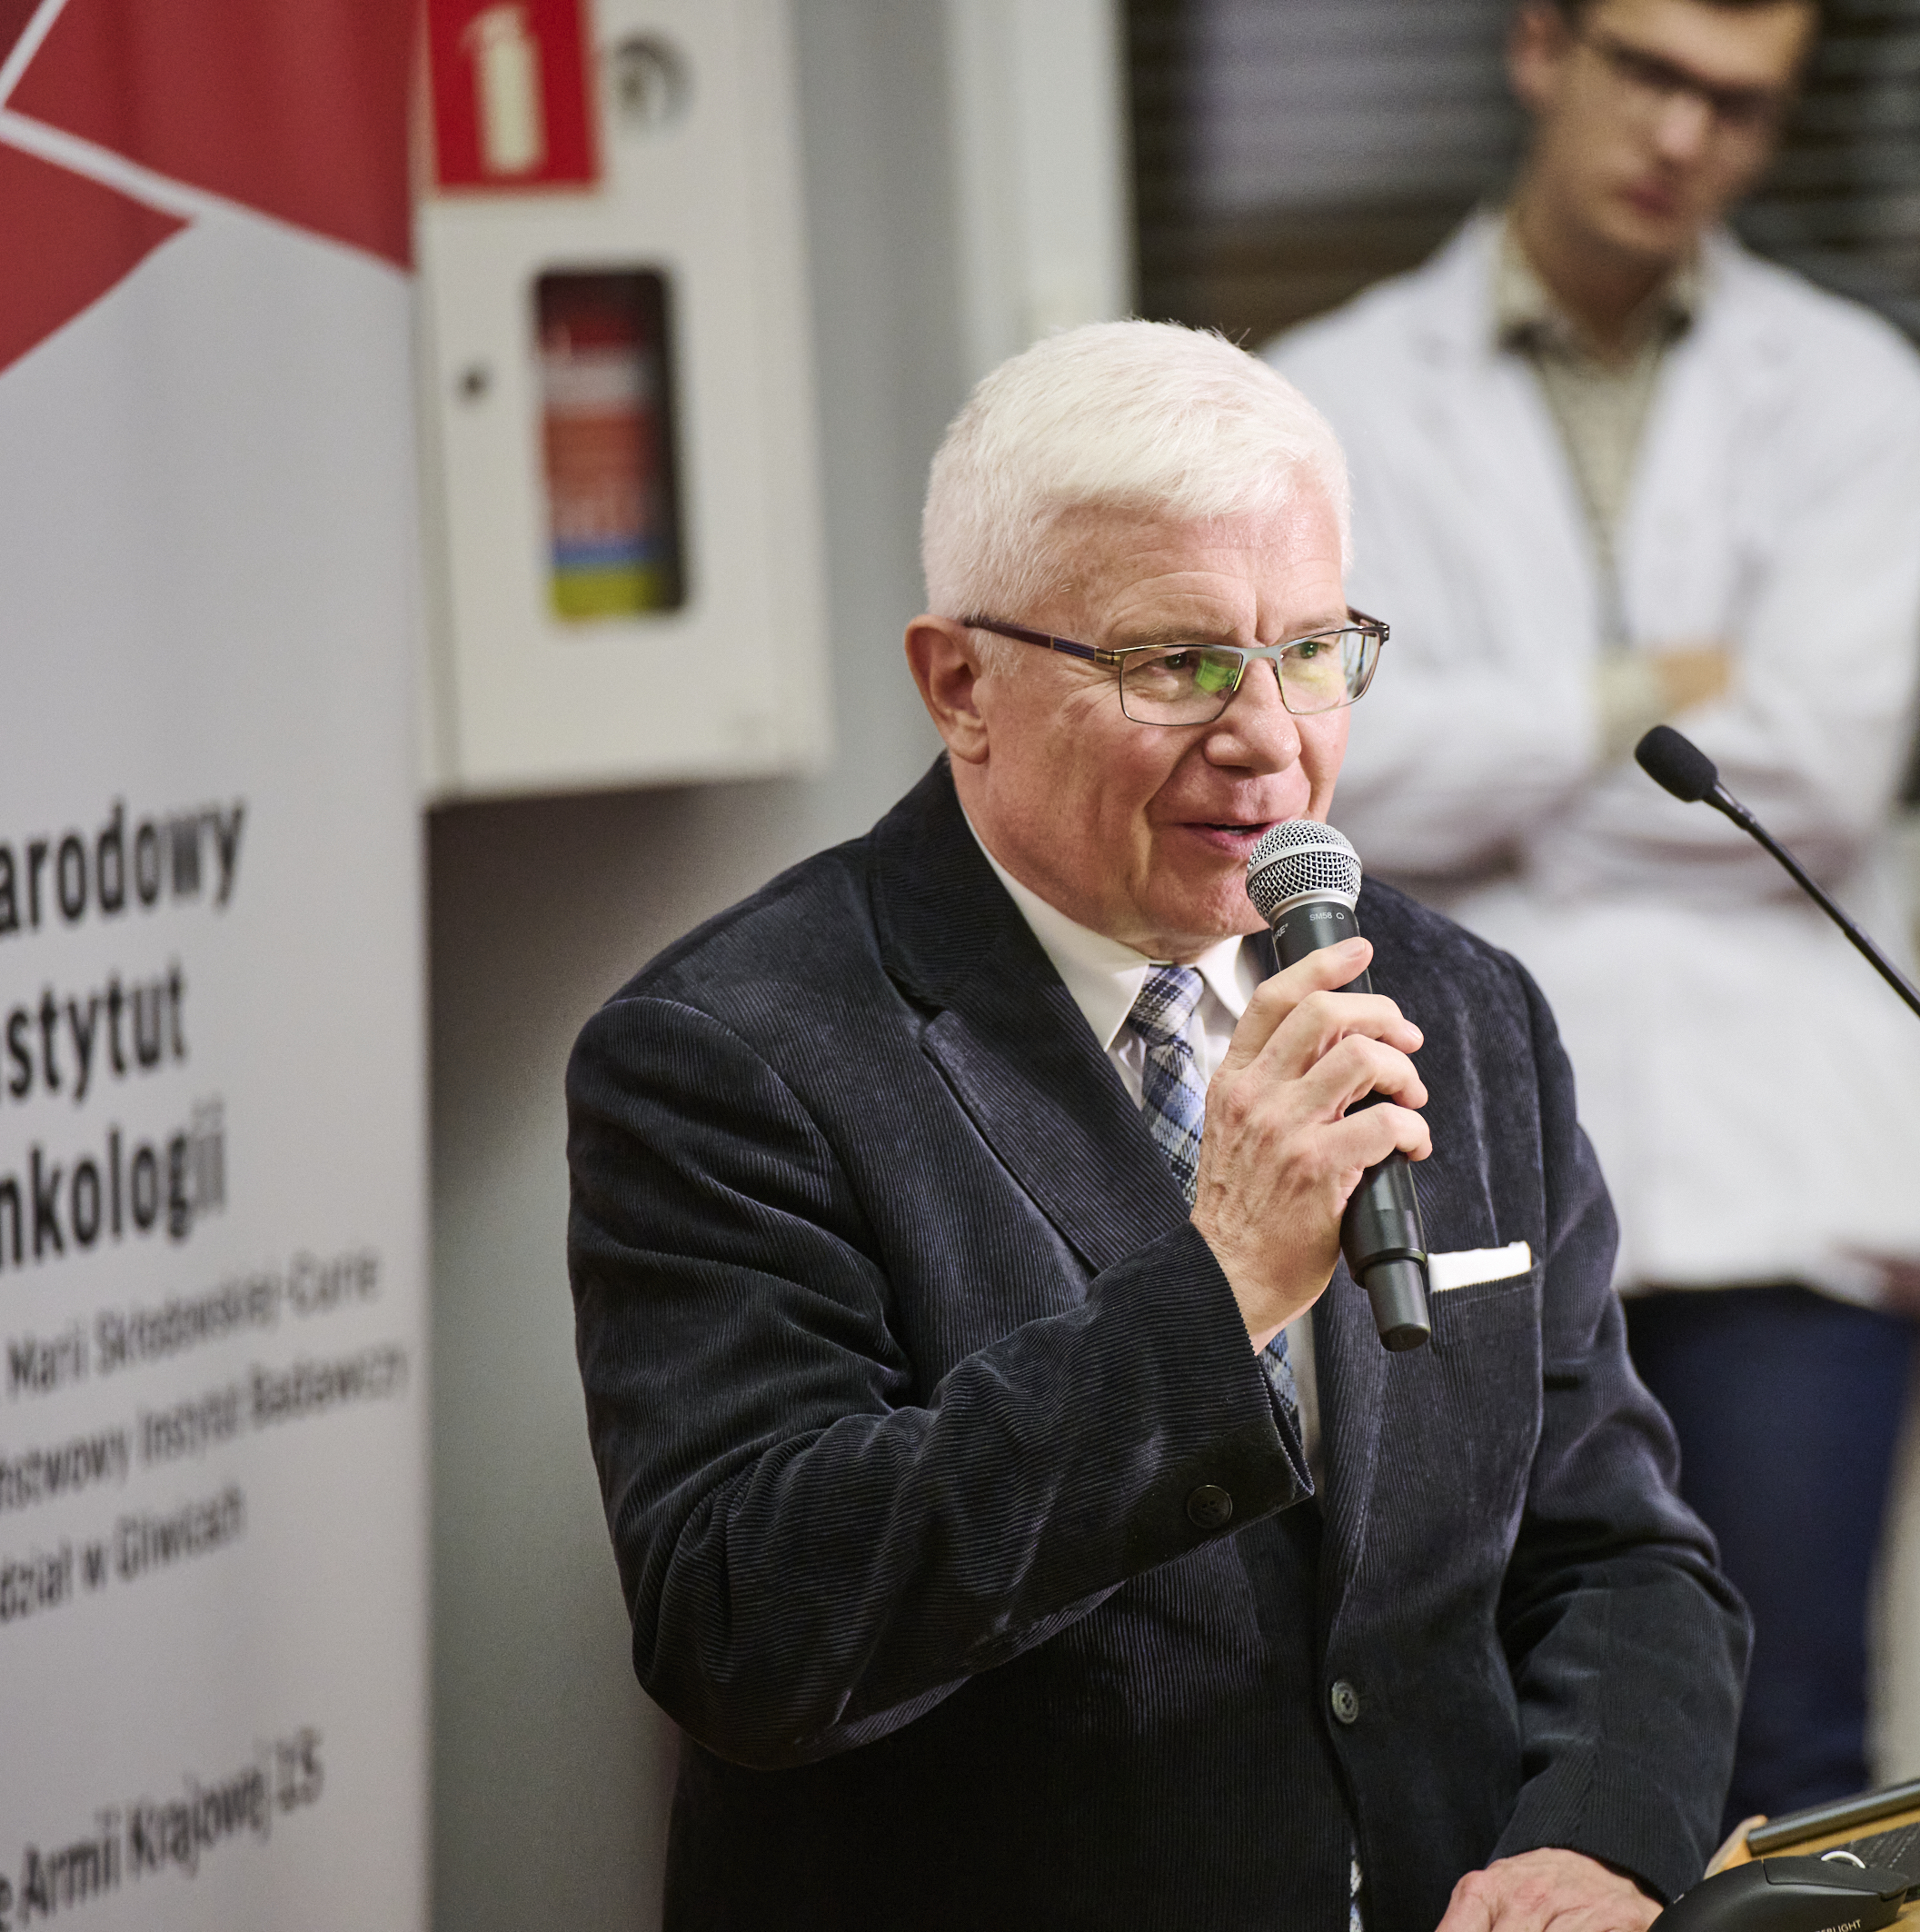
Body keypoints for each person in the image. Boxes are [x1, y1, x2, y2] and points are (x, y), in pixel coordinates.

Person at [565, 321, 1747, 1932]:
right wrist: (1219, 1289)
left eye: (1313, 647)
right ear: (959, 684)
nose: (1269, 736)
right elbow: (752, 1627)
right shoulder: (728, 1056)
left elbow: (1618, 1551)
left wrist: (1598, 1841)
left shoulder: (1457, 1012)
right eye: (1176, 661)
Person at [1269, 0, 1920, 1819]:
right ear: (1539, 48)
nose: (1686, 137)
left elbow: (1813, 773)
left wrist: (1494, 765)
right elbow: (1331, 767)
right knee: (1478, 1755)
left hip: (1785, 1174)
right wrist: (1636, 696)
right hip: (1461, 1142)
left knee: (1787, 1760)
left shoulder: (1854, 388)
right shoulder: (1324, 397)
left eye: (1739, 107)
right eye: (1650, 75)